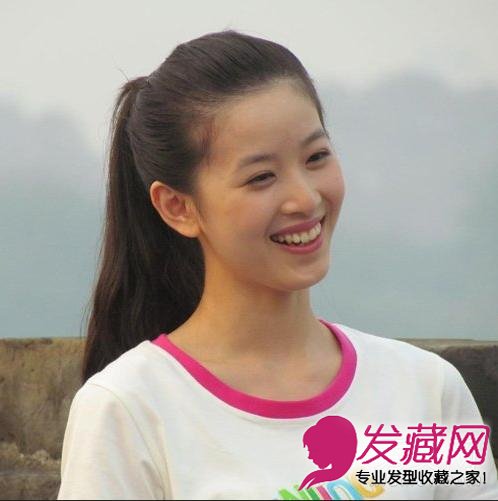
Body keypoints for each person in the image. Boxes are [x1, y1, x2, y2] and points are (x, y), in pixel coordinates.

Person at [57, 30, 498, 500]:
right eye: (262, 177)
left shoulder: (427, 388)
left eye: (316, 157)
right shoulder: (127, 408)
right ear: (177, 207)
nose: (305, 198)